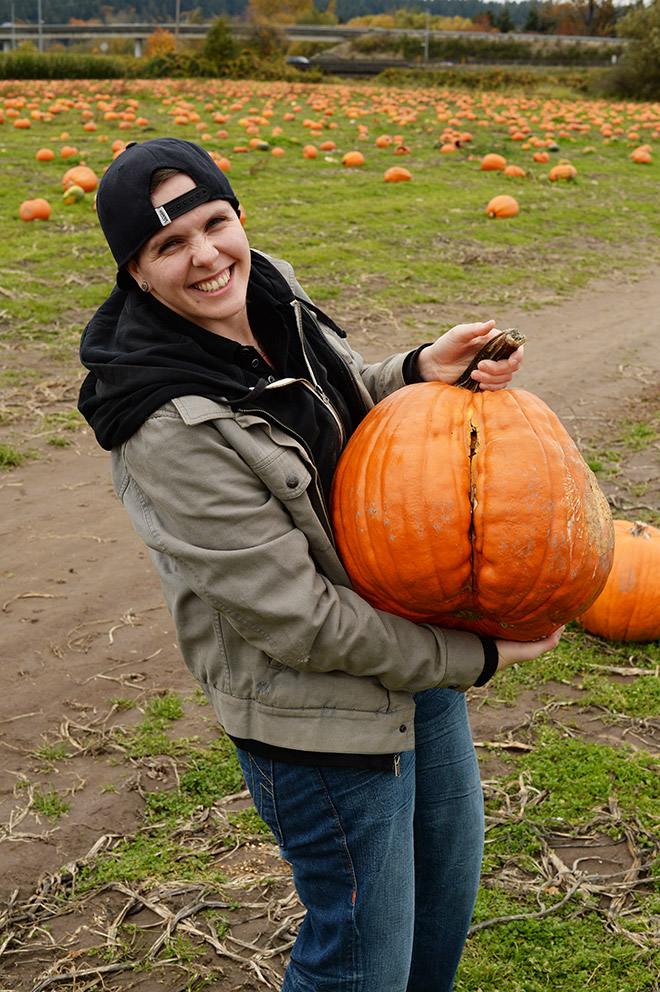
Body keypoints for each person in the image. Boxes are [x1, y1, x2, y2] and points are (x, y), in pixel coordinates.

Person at [78, 137, 563, 992]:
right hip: (317, 716)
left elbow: (329, 415)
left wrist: (416, 371)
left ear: (238, 218)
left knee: (440, 909)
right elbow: (298, 617)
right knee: (361, 966)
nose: (206, 256)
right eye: (168, 246)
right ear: (136, 270)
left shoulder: (273, 288)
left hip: (406, 637)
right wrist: (477, 657)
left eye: (214, 223)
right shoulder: (163, 420)